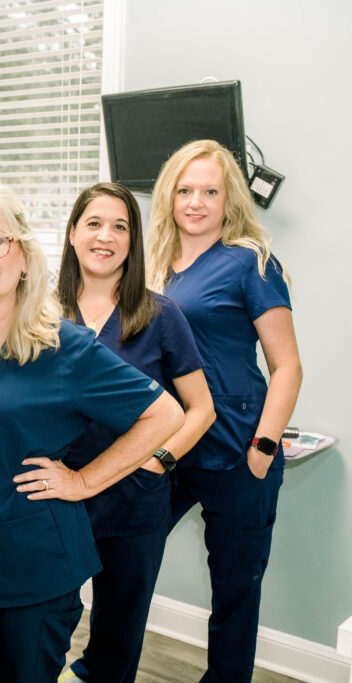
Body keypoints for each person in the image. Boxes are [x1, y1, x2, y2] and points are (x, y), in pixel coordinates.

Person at [0, 174, 184, 683]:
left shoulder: (60, 345)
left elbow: (163, 414)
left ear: (24, 255)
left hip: (32, 572)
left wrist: (83, 481)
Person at [146, 140, 302, 683]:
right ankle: (101, 662)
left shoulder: (251, 263)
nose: (196, 202)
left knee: (235, 588)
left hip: (239, 451)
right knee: (123, 559)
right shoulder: (155, 266)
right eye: (185, 190)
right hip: (171, 446)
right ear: (168, 196)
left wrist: (263, 447)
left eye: (210, 191)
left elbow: (287, 367)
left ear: (228, 198)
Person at [55, 183, 216, 683]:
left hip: (134, 497)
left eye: (120, 226)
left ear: (133, 240)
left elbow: (201, 408)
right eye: (94, 224)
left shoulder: (161, 315)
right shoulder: (39, 313)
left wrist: (160, 459)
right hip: (58, 493)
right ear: (72, 234)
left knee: (119, 628)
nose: (106, 236)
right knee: (47, 615)